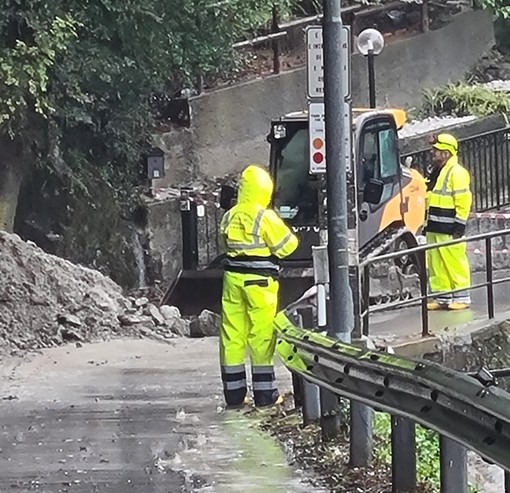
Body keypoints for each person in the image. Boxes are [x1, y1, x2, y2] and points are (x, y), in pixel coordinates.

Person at [219, 163, 299, 408]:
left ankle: (234, 395)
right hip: (260, 283)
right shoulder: (265, 217)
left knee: (232, 336)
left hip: (232, 281)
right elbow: (288, 246)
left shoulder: (230, 215)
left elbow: (224, 243)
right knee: (261, 336)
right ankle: (265, 396)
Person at [425, 133, 472, 310]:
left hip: (450, 227)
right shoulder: (438, 171)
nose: (432, 153)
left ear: (446, 153)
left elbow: (463, 201)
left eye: (436, 151)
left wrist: (459, 225)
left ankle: (462, 297)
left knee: (454, 261)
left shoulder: (457, 173)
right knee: (436, 263)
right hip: (435, 227)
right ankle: (442, 297)